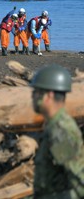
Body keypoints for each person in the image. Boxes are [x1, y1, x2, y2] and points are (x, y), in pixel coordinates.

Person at [31, 65, 84, 198]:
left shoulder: (60, 131)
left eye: (36, 92)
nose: (32, 97)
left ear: (49, 96)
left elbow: (80, 182)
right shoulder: (53, 125)